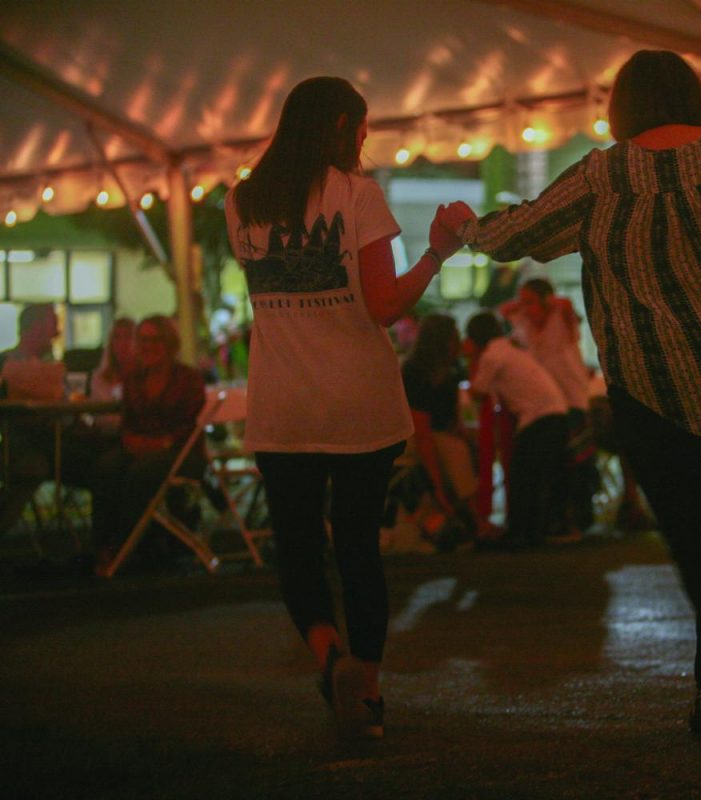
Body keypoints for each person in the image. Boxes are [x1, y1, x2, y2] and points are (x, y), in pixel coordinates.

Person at [437, 49, 701, 751]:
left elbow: (518, 234)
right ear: (695, 98)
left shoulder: (602, 177)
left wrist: (464, 226)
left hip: (659, 390)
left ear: (622, 108)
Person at [224, 76, 458, 740]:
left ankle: (330, 659)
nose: (364, 139)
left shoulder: (241, 201)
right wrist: (438, 252)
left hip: (283, 404)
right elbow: (383, 305)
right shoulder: (357, 195)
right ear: (340, 127)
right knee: (358, 549)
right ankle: (372, 691)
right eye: (360, 127)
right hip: (358, 404)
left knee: (298, 550)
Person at [89, 315, 207, 570]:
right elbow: (127, 423)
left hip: (182, 453)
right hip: (142, 448)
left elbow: (191, 427)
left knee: (141, 472)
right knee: (106, 467)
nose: (147, 346)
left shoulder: (188, 379)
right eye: (142, 340)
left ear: (169, 344)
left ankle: (127, 543)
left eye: (155, 340)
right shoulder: (133, 380)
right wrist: (134, 440)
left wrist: (163, 443)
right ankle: (102, 545)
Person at [463, 310, 570, 548]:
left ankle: (521, 534)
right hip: (552, 414)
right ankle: (529, 533)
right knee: (531, 478)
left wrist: (468, 361)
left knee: (523, 478)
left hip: (539, 417)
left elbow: (477, 392)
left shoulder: (492, 355)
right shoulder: (508, 349)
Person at [499, 278, 597, 535]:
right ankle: (555, 521)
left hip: (573, 399)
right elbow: (504, 312)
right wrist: (522, 306)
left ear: (546, 300)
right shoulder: (526, 325)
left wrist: (549, 304)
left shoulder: (561, 317)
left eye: (530, 301)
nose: (525, 308)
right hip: (549, 405)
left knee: (577, 463)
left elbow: (567, 307)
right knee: (555, 465)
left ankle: (579, 521)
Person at [399, 313, 478, 537]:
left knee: (468, 444)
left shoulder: (451, 372)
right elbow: (421, 430)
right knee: (456, 450)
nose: (460, 342)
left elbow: (455, 420)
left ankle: (468, 511)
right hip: (415, 435)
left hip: (436, 432)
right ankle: (474, 516)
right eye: (455, 337)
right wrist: (438, 488)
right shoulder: (415, 373)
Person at [0, 303, 65, 534]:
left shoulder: (50, 366)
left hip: (43, 445)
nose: (57, 333)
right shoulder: (7, 365)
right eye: (52, 325)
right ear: (36, 328)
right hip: (17, 448)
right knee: (30, 468)